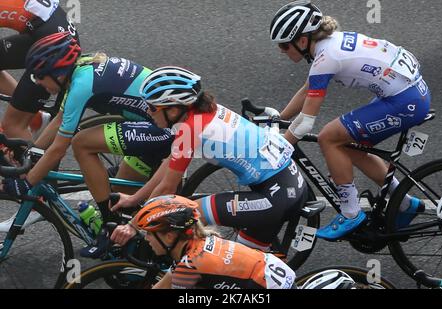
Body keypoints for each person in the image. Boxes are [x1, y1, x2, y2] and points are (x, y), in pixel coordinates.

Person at [0, 32, 174, 257]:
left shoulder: (82, 85)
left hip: (163, 129)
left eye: (39, 76)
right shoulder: (81, 69)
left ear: (58, 72)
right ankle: (132, 245)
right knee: (120, 199)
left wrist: (28, 182)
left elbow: (59, 149)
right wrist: (32, 152)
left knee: (82, 143)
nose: (38, 83)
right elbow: (61, 119)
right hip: (153, 124)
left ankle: (108, 226)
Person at [269, 1, 431, 240]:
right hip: (409, 92)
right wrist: (279, 118)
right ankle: (404, 203)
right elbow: (308, 88)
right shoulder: (327, 45)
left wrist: (280, 147)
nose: (282, 51)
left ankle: (351, 212)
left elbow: (305, 123)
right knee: (349, 146)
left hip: (404, 100)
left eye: (284, 45)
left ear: (302, 40)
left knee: (328, 138)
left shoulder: (327, 56)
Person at [110, 66, 308, 252]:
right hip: (285, 183)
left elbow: (166, 188)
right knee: (245, 266)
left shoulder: (191, 129)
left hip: (275, 195)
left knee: (190, 215)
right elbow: (169, 165)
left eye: (151, 107)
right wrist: (136, 198)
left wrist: (132, 225)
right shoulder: (203, 112)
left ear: (173, 109)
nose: (147, 112)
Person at [111, 195, 297, 289]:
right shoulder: (198, 244)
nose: (147, 239)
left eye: (150, 234)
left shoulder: (191, 264)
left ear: (169, 236)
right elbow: (167, 281)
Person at [0, 0, 79, 140]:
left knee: (12, 125)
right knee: (22, 105)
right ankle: (36, 117)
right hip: (51, 32)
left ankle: (36, 161)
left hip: (55, 47)